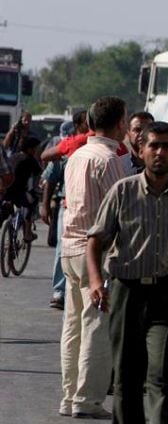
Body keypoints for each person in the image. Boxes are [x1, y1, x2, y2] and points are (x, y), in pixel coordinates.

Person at [86, 122, 168, 424]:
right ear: (140, 151)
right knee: (127, 375)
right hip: (127, 293)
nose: (159, 152)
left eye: (167, 146)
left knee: (162, 374)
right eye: (153, 146)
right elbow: (96, 240)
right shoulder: (122, 192)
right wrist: (96, 282)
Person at [59, 96, 128, 419]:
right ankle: (86, 400)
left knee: (73, 326)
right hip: (96, 253)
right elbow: (122, 211)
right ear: (119, 124)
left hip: (70, 247)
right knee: (96, 328)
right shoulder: (108, 158)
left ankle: (69, 396)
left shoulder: (77, 155)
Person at [42, 121, 75, 310]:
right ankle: (60, 290)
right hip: (67, 204)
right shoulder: (66, 147)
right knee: (63, 248)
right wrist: (45, 206)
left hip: (94, 206)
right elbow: (50, 178)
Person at [5, 135, 43, 242]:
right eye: (36, 149)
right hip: (18, 192)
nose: (37, 152)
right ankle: (27, 232)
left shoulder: (13, 156)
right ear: (30, 149)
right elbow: (39, 176)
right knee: (32, 202)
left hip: (5, 190)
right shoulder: (30, 160)